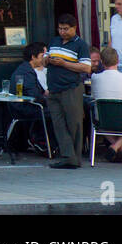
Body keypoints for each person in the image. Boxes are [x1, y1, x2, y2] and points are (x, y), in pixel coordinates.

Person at [45, 14, 92, 169]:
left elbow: (86, 67)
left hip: (71, 88)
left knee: (74, 123)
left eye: (66, 29)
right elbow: (45, 59)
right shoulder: (54, 41)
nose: (62, 32)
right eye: (60, 28)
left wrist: (64, 63)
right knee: (58, 123)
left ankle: (74, 158)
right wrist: (47, 60)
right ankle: (67, 156)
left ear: (74, 28)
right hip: (53, 88)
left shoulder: (81, 45)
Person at [91, 47, 122, 163]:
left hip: (103, 120)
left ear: (102, 61)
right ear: (118, 61)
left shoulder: (95, 78)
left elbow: (93, 96)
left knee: (98, 121)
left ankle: (115, 146)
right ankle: (117, 146)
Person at [8, 42, 50, 152]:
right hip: (24, 107)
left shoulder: (26, 69)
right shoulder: (26, 72)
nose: (43, 59)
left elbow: (40, 92)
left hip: (23, 106)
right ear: (33, 57)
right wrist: (50, 102)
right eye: (41, 56)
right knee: (54, 112)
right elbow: (35, 95)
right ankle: (40, 141)